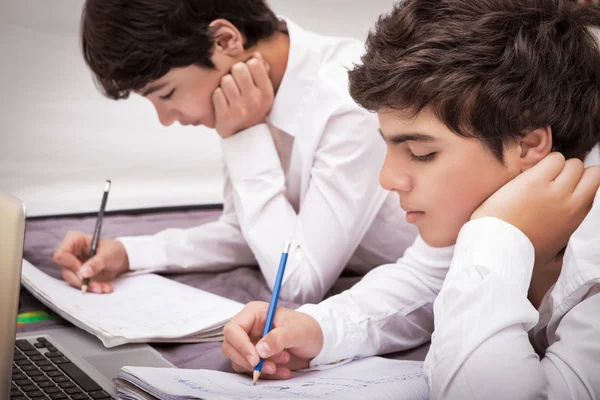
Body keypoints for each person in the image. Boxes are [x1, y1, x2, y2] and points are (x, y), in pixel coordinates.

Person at [220, 0, 600, 397]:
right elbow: (419, 282)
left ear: (529, 144)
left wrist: (497, 236)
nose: (387, 179)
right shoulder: (465, 219)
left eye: (421, 153)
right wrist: (314, 329)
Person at [52, 0, 419, 302]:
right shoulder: (248, 99)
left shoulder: (347, 102)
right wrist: (132, 254)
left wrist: (244, 137)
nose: (166, 118)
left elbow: (298, 280)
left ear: (225, 40)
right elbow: (251, 234)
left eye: (166, 94)